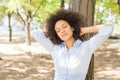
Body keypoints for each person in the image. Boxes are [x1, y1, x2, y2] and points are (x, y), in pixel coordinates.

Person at [32, 9, 113, 80]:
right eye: (58, 30)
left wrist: (84, 30)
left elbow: (109, 28)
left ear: (72, 28)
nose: (62, 31)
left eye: (64, 27)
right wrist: (52, 34)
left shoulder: (87, 47)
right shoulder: (55, 49)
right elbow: (36, 33)